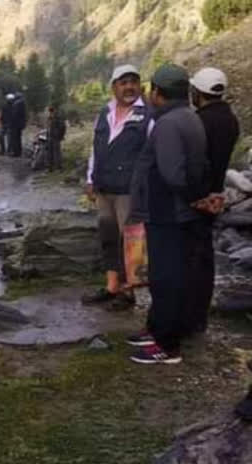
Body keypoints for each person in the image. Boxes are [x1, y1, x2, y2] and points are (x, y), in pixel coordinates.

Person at [128, 64, 209, 365]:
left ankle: (166, 345)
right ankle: (157, 329)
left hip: (167, 213)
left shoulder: (168, 124)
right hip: (175, 213)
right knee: (169, 275)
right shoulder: (188, 117)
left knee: (166, 277)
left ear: (158, 93)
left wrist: (191, 199)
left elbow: (173, 174)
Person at [81, 65, 151, 311]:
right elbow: (95, 149)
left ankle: (129, 292)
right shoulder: (104, 113)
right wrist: (90, 178)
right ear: (114, 87)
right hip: (104, 187)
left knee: (131, 241)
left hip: (130, 190)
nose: (129, 86)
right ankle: (111, 286)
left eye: (133, 81)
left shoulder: (148, 116)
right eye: (123, 82)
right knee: (108, 237)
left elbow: (152, 154)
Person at [186, 68, 240, 334]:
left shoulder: (199, 122)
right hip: (216, 197)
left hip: (197, 198)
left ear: (198, 93)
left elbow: (195, 164)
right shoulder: (230, 120)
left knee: (190, 258)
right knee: (205, 256)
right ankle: (200, 317)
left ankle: (190, 317)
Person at [47, 105, 66, 172]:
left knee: (57, 152)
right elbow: (48, 127)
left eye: (51, 111)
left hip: (56, 137)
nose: (50, 113)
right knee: (50, 152)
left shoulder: (58, 117)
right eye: (50, 111)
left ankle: (59, 167)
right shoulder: (50, 117)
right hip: (50, 136)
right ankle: (50, 167)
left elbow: (63, 127)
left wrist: (60, 136)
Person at [9, 92, 27, 157]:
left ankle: (16, 152)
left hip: (15, 124)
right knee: (18, 138)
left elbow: (14, 115)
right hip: (20, 124)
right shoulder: (23, 103)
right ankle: (19, 152)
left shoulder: (16, 104)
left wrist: (11, 122)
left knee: (15, 138)